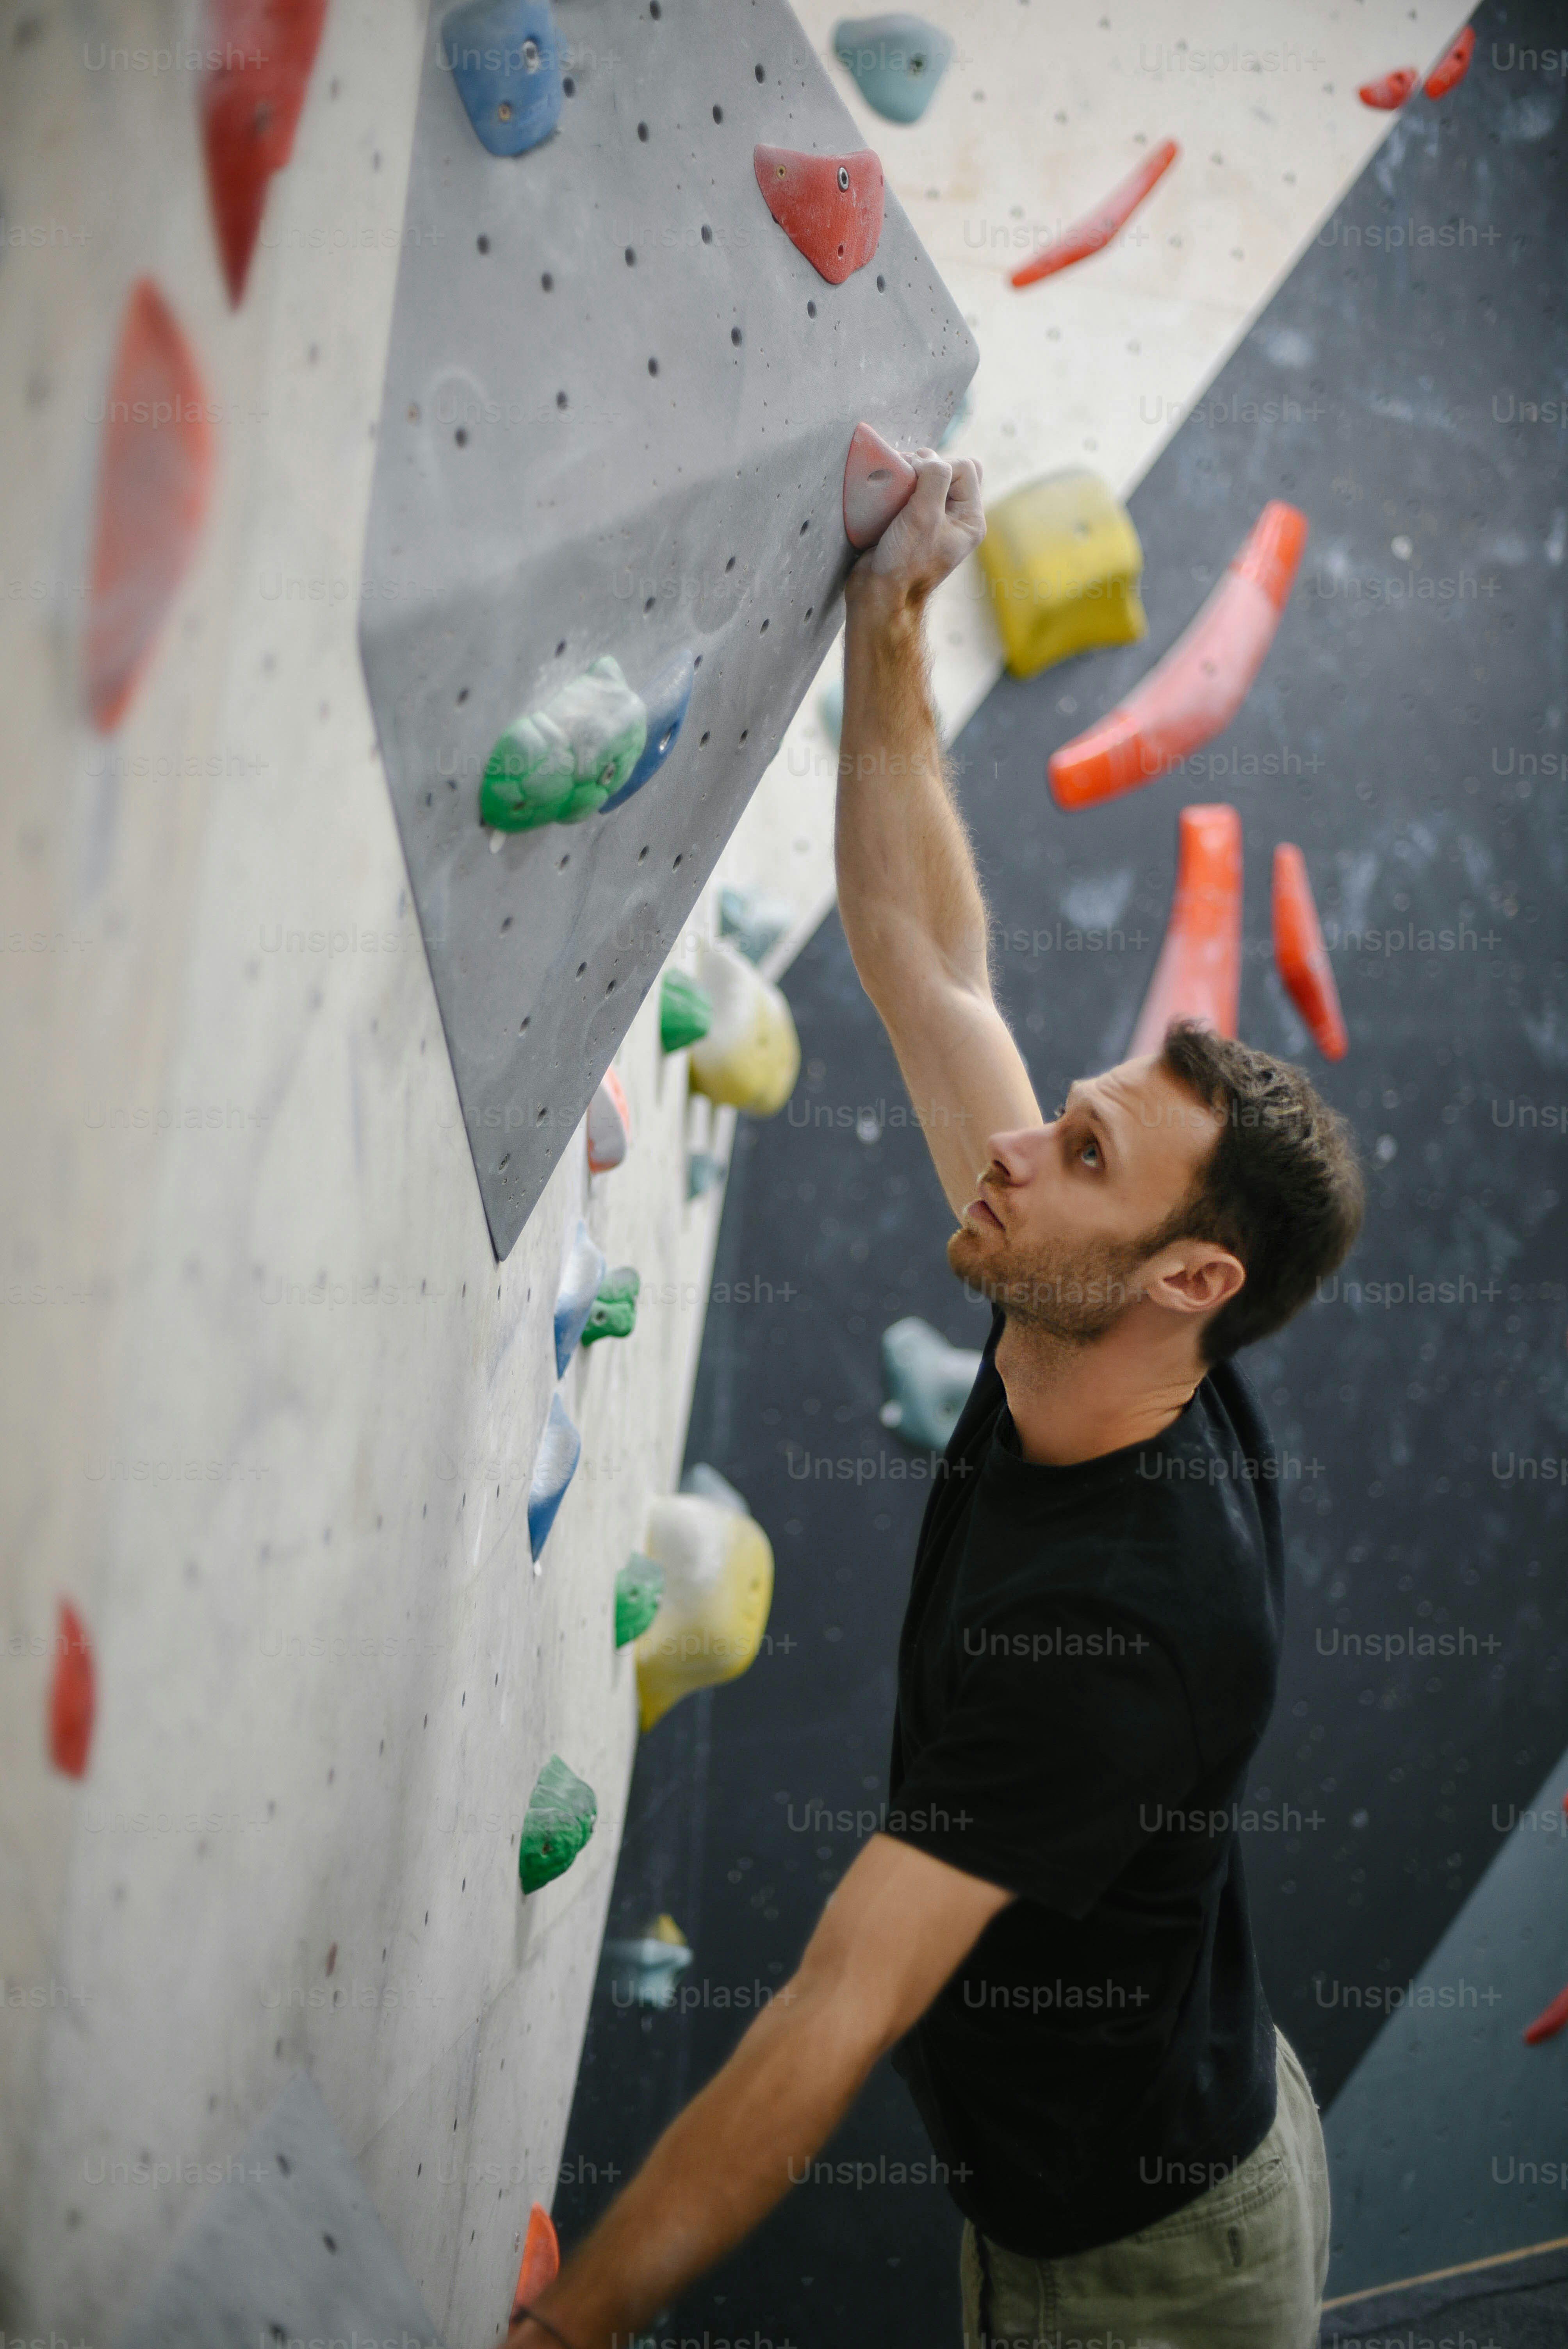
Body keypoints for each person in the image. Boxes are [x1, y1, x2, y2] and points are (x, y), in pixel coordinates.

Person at [509, 451, 1363, 2349]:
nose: (1018, 1151)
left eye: (1081, 1152)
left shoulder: (1119, 1637)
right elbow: (926, 959)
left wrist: (566, 2332)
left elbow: (835, 2009)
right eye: (1069, 1118)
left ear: (1189, 1279)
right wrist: (892, 614)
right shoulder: (1087, 1311)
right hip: (1136, 2142)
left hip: (1147, 2271)